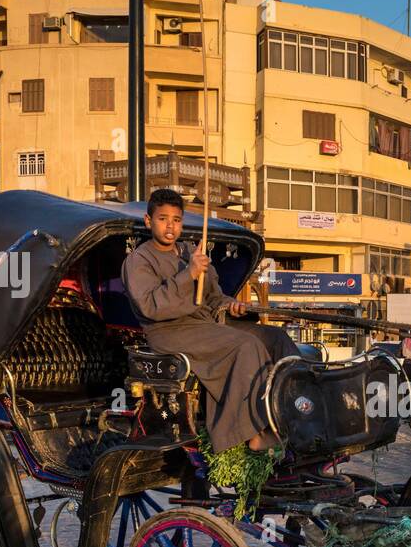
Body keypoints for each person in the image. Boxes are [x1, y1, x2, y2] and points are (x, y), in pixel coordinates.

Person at [121, 188, 299, 453]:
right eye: (162, 218)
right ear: (149, 221)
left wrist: (231, 305)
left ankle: (295, 411)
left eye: (177, 219)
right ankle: (255, 432)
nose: (170, 226)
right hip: (168, 330)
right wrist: (188, 274)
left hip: (206, 323)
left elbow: (214, 297)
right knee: (245, 345)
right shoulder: (138, 260)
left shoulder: (189, 252)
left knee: (277, 338)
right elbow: (151, 306)